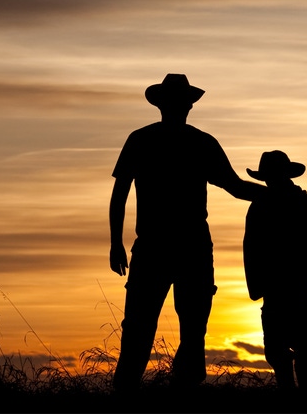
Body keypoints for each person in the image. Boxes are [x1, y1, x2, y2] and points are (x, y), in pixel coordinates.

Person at [109, 73, 263, 391]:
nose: (182, 106)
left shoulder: (147, 139)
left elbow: (120, 191)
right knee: (164, 326)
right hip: (177, 245)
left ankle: (139, 391)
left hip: (167, 246)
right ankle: (139, 391)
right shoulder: (196, 142)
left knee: (170, 327)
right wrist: (115, 243)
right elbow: (235, 187)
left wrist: (116, 243)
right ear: (184, 105)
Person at [242, 150, 307, 390]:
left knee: (280, 347)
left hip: (275, 286)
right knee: (301, 345)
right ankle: (303, 393)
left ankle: (289, 392)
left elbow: (251, 249)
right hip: (297, 284)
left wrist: (256, 286)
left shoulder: (260, 207)